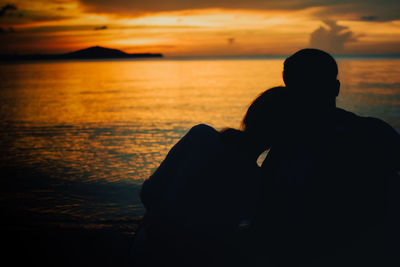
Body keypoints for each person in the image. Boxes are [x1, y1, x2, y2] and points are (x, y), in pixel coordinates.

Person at [256, 49, 400, 266]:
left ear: (289, 90)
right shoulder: (374, 131)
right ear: (336, 88)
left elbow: (266, 210)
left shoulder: (286, 146)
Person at [131, 87, 289, 267]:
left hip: (150, 247)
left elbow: (149, 193)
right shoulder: (258, 180)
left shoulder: (201, 136)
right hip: (195, 256)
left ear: (250, 114)